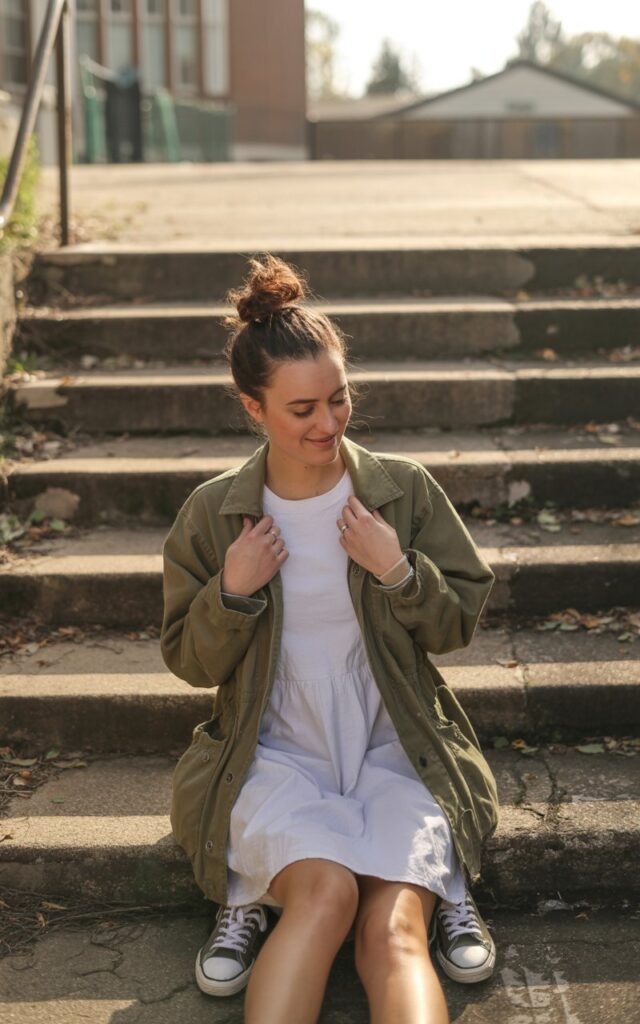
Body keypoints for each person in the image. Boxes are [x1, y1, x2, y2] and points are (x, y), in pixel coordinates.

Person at [160, 254, 500, 1023]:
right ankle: (254, 893)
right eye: (302, 409)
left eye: (339, 400)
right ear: (255, 409)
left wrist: (396, 570)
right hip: (274, 754)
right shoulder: (215, 515)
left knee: (392, 928)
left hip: (395, 748)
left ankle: (438, 891)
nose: (328, 423)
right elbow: (188, 660)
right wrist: (233, 592)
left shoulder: (402, 491)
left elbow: (454, 626)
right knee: (324, 897)